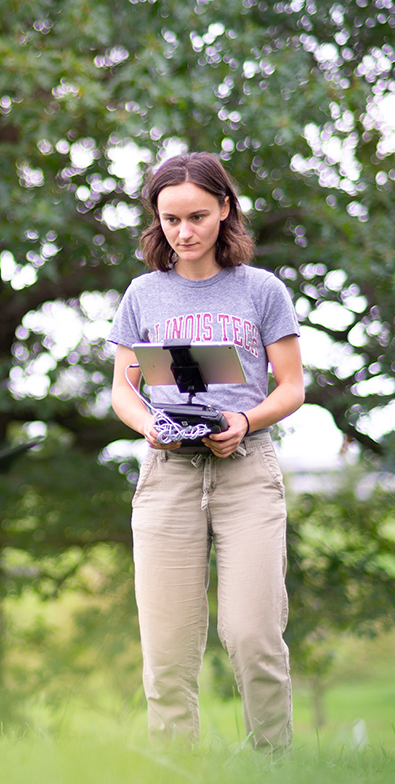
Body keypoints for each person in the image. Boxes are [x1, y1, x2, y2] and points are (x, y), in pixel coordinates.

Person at [108, 151, 304, 752]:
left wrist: (243, 419)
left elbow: (292, 387)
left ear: (224, 209)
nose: (184, 232)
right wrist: (148, 426)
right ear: (156, 222)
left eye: (196, 216)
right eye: (170, 220)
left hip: (245, 472)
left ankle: (275, 763)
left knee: (252, 636)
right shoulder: (143, 293)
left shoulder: (261, 290)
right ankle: (176, 766)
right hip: (168, 475)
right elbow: (124, 387)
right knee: (166, 648)